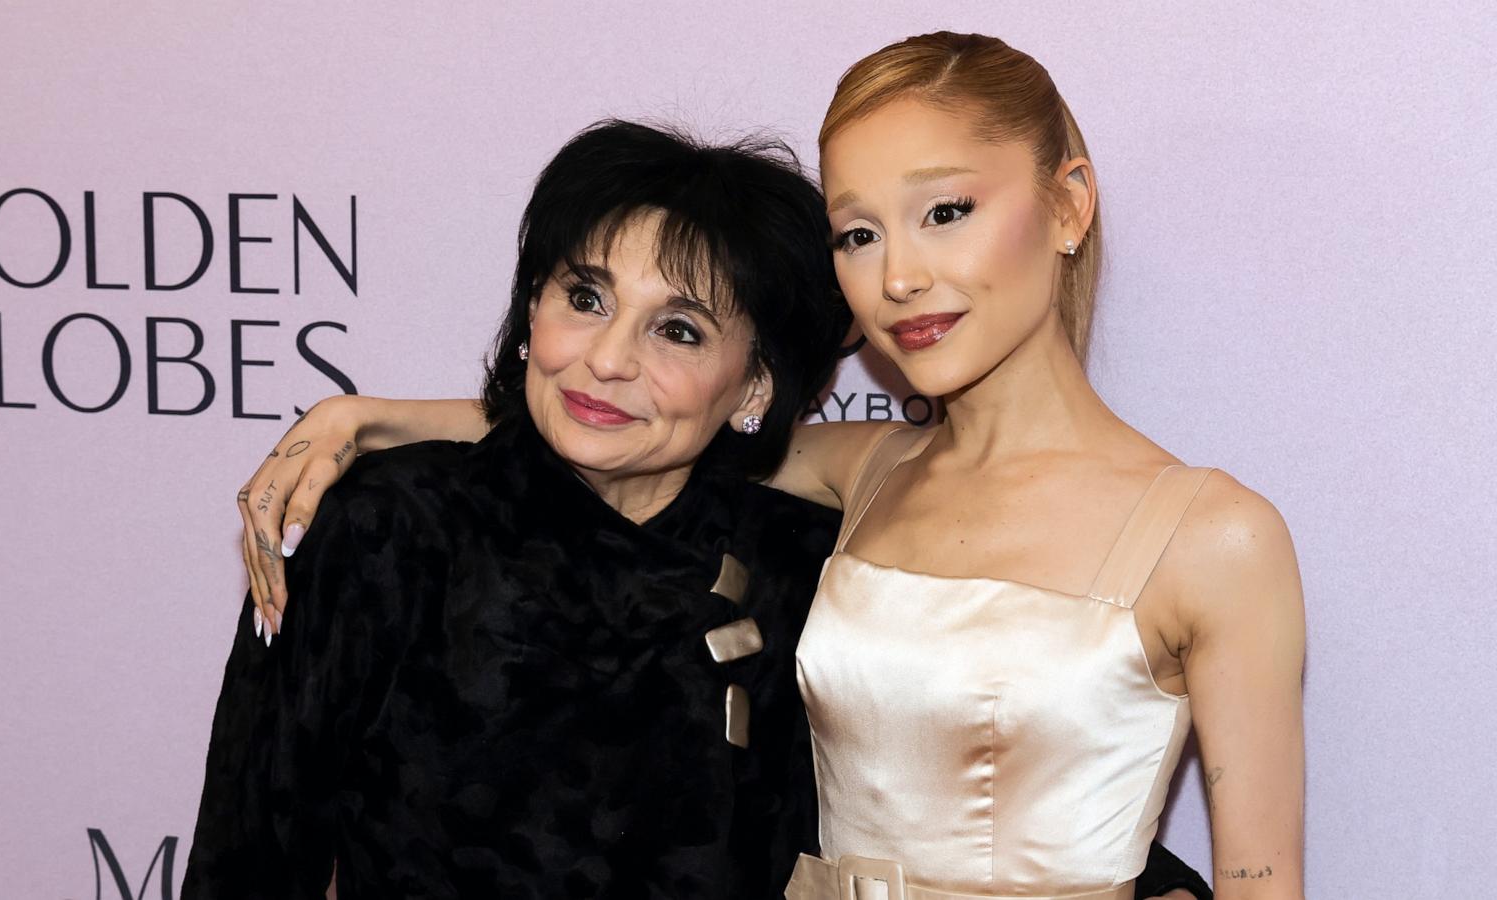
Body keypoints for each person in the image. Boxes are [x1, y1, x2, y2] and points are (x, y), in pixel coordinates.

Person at [229, 32, 1278, 896]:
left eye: (944, 212)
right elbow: (629, 418)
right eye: (857, 233)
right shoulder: (865, 477)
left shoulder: (1210, 535)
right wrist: (370, 417)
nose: (901, 275)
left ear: (1066, 204)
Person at [184, 120, 853, 898]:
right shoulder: (390, 527)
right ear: (534, 309)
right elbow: (248, 863)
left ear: (754, 388)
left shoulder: (808, 568)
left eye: (677, 330)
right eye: (586, 297)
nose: (606, 359)